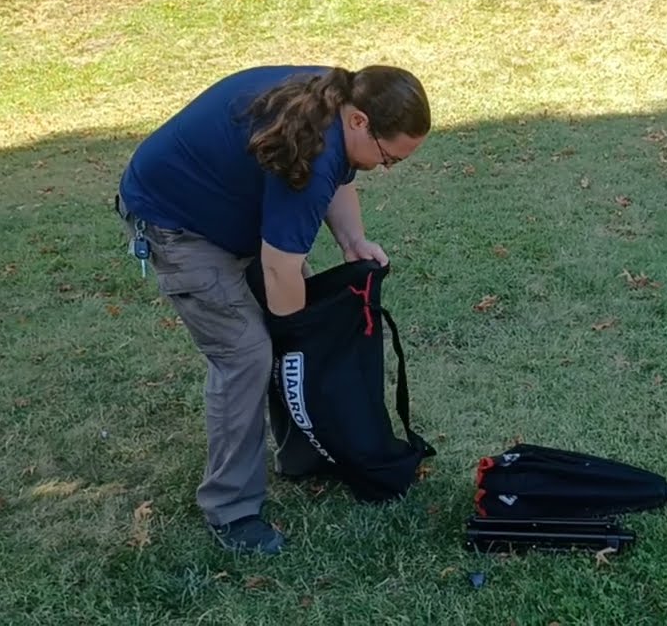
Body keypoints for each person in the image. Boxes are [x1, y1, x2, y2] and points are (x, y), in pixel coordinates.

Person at [113, 64, 430, 555]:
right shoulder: (312, 141)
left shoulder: (339, 101)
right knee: (247, 354)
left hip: (227, 211)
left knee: (285, 337)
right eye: (389, 158)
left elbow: (343, 176)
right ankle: (232, 511)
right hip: (175, 223)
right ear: (360, 121)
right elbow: (282, 271)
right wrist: (300, 337)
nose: (385, 169)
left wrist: (353, 240)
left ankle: (304, 451)